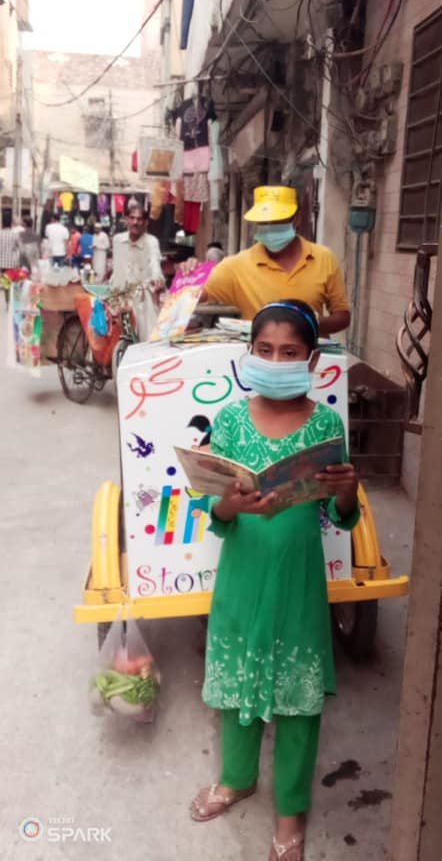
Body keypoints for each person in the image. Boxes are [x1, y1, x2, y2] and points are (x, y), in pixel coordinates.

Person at [190, 300, 359, 861]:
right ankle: (237, 778)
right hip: (241, 576)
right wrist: (230, 505)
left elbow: (340, 517)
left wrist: (344, 491)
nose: (275, 360)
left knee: (297, 700)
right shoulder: (233, 421)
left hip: (298, 582)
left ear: (311, 360)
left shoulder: (327, 424)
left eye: (289, 353)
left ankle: (291, 812)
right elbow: (216, 515)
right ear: (250, 354)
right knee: (235, 678)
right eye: (264, 351)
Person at [187, 187, 350, 336]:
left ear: (297, 218)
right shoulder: (237, 265)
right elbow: (188, 295)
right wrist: (188, 276)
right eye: (264, 222)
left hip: (311, 361)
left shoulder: (324, 258)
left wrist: (307, 325)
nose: (270, 227)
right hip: (261, 359)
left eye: (278, 221)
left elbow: (342, 316)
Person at [111, 204, 165, 340]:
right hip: (120, 298)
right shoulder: (117, 240)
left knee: (147, 339)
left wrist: (157, 278)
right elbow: (117, 267)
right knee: (114, 339)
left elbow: (155, 263)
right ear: (126, 220)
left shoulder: (151, 242)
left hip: (142, 300)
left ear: (146, 223)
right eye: (132, 218)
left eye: (139, 219)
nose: (135, 222)